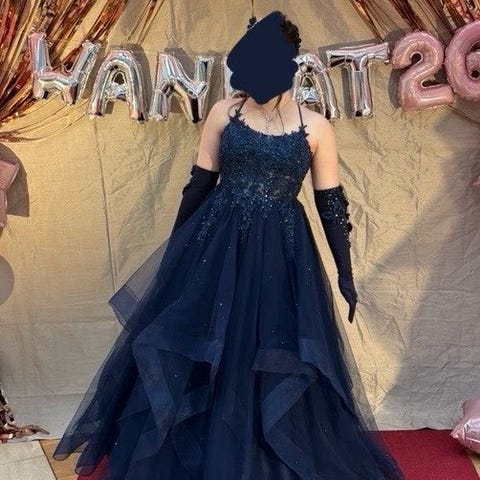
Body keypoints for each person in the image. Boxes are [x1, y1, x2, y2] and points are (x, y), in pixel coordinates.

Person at [53, 10, 405, 480]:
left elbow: (330, 204)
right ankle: (205, 449)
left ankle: (266, 454)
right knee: (208, 344)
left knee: (272, 347)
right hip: (218, 244)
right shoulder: (224, 112)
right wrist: (177, 250)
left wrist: (344, 271)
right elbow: (200, 183)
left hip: (282, 252)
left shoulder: (317, 126)